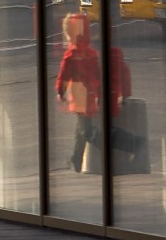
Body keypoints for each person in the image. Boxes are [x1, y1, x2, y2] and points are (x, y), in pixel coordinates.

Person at [54, 11, 132, 171]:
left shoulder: (71, 55)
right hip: (90, 95)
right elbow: (98, 74)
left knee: (87, 131)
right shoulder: (91, 54)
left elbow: (63, 76)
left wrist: (60, 92)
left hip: (79, 97)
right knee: (81, 128)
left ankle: (128, 144)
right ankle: (75, 159)